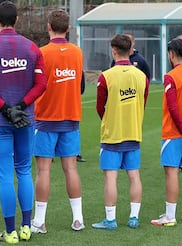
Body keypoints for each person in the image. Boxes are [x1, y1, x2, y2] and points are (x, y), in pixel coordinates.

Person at [0, 1, 47, 243]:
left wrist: (6, 108)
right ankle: (26, 227)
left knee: (6, 175)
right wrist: (20, 106)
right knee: (24, 170)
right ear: (17, 20)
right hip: (25, 119)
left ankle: (11, 232)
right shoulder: (32, 48)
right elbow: (41, 85)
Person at [31, 9, 86, 234]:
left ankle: (40, 221)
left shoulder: (41, 53)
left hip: (45, 118)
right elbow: (80, 85)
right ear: (68, 28)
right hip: (70, 117)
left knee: (43, 170)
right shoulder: (77, 53)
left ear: (48, 27)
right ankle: (78, 219)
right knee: (70, 168)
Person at [92, 34, 149, 230]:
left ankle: (110, 220)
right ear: (130, 49)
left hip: (112, 135)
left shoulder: (106, 76)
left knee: (111, 177)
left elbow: (100, 107)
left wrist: (112, 120)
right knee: (134, 176)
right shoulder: (142, 76)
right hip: (133, 132)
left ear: (114, 50)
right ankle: (134, 218)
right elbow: (143, 101)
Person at [150, 38, 182, 227]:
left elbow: (173, 107)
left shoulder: (171, 76)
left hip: (174, 132)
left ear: (171, 54)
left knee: (171, 173)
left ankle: (170, 216)